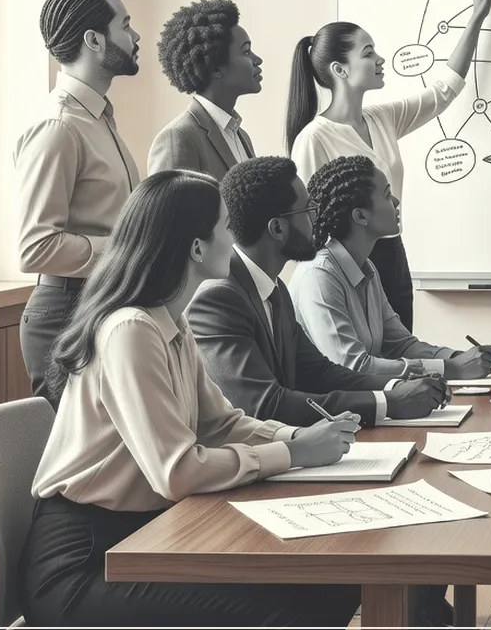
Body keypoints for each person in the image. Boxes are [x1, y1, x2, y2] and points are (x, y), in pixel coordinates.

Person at [19, 169, 364, 627]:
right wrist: (292, 452)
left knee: (331, 589)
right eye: (225, 227)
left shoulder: (170, 322)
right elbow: (176, 473)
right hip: (82, 565)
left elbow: (221, 423)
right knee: (289, 613)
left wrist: (303, 436)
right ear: (196, 247)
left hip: (143, 537)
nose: (234, 238)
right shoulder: (131, 330)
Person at [288, 0, 491, 333]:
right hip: (346, 267)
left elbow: (444, 90)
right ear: (340, 70)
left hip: (393, 255)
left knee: (404, 359)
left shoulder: (383, 118)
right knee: (364, 366)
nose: (380, 59)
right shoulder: (314, 138)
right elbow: (309, 223)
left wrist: (478, 16)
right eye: (368, 53)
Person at [187, 156, 451, 426]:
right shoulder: (218, 298)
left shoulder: (274, 287)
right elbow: (265, 404)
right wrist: (390, 403)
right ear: (277, 228)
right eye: (307, 209)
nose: (317, 217)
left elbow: (319, 372)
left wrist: (396, 386)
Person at [14, 0, 143, 403]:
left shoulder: (100, 119)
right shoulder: (59, 126)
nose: (136, 36)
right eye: (125, 25)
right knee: (79, 465)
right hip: (65, 315)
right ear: (94, 40)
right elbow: (35, 247)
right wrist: (129, 249)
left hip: (101, 304)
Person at [289, 155, 491, 381]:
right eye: (387, 195)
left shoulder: (367, 268)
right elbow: (351, 366)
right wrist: (451, 368)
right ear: (361, 216)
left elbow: (400, 344)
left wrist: (459, 357)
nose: (396, 201)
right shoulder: (319, 275)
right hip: (328, 412)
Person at [149, 0, 262, 178]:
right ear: (216, 67)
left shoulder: (241, 136)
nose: (257, 60)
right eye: (246, 51)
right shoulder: (178, 138)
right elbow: (169, 206)